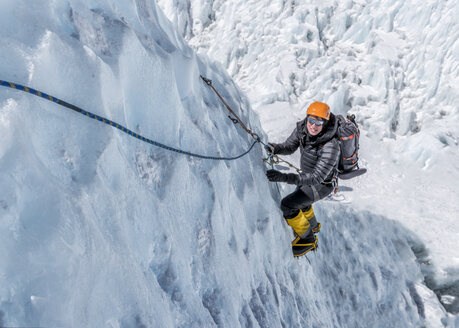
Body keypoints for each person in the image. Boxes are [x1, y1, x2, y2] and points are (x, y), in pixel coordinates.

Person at [265, 102, 340, 257]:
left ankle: (308, 238)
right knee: (303, 203)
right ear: (307, 118)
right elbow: (289, 146)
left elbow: (317, 177)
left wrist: (284, 177)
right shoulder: (302, 129)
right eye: (311, 120)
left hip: (322, 185)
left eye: (319, 122)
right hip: (307, 177)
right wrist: (276, 149)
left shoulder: (331, 146)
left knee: (288, 205)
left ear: (325, 124)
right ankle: (313, 227)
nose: (313, 125)